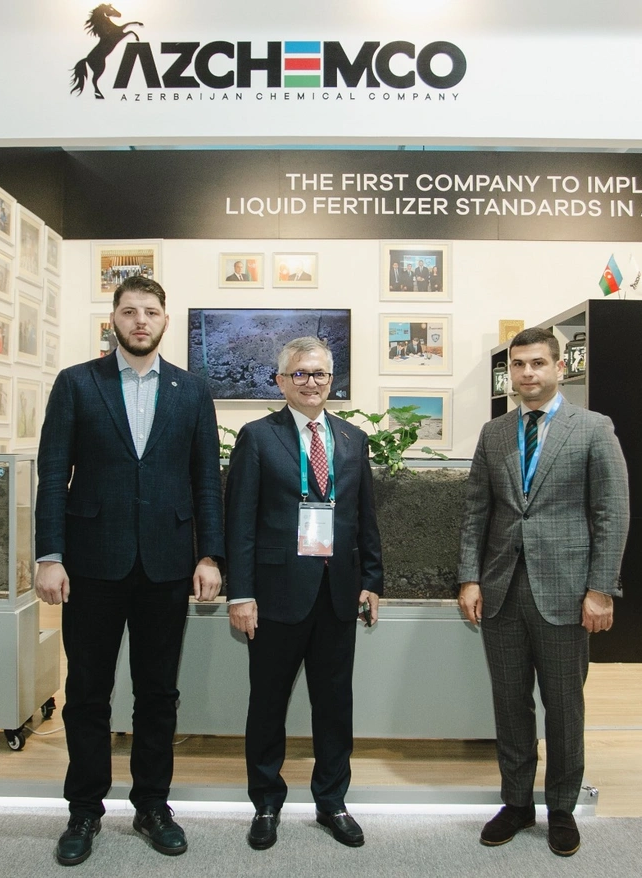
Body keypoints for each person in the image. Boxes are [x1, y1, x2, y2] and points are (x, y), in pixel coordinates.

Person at [34, 274, 224, 867]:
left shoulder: (193, 391)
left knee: (158, 693)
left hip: (167, 564)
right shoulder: (76, 383)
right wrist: (49, 555)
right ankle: (84, 810)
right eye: (129, 311)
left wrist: (209, 555)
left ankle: (152, 806)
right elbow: (53, 474)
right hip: (92, 561)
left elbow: (206, 480)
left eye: (151, 312)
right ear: (113, 319)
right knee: (87, 692)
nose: (140, 321)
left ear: (165, 321)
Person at [457, 326, 629, 858]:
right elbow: (477, 512)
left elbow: (612, 512)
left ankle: (561, 809)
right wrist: (469, 577)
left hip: (567, 592)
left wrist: (600, 589)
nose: (527, 373)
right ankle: (515, 803)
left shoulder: (594, 428)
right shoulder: (495, 433)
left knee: (563, 707)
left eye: (537, 363)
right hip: (501, 590)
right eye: (518, 365)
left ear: (560, 367)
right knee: (510, 704)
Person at [225, 336, 384, 852]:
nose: (310, 382)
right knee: (267, 705)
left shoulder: (353, 439)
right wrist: (240, 594)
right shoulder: (257, 437)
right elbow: (240, 522)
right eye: (299, 374)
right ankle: (266, 803)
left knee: (335, 706)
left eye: (319, 374)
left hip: (338, 594)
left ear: (331, 380)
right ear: (281, 381)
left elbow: (364, 517)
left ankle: (332, 801)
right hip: (275, 596)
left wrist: (371, 580)